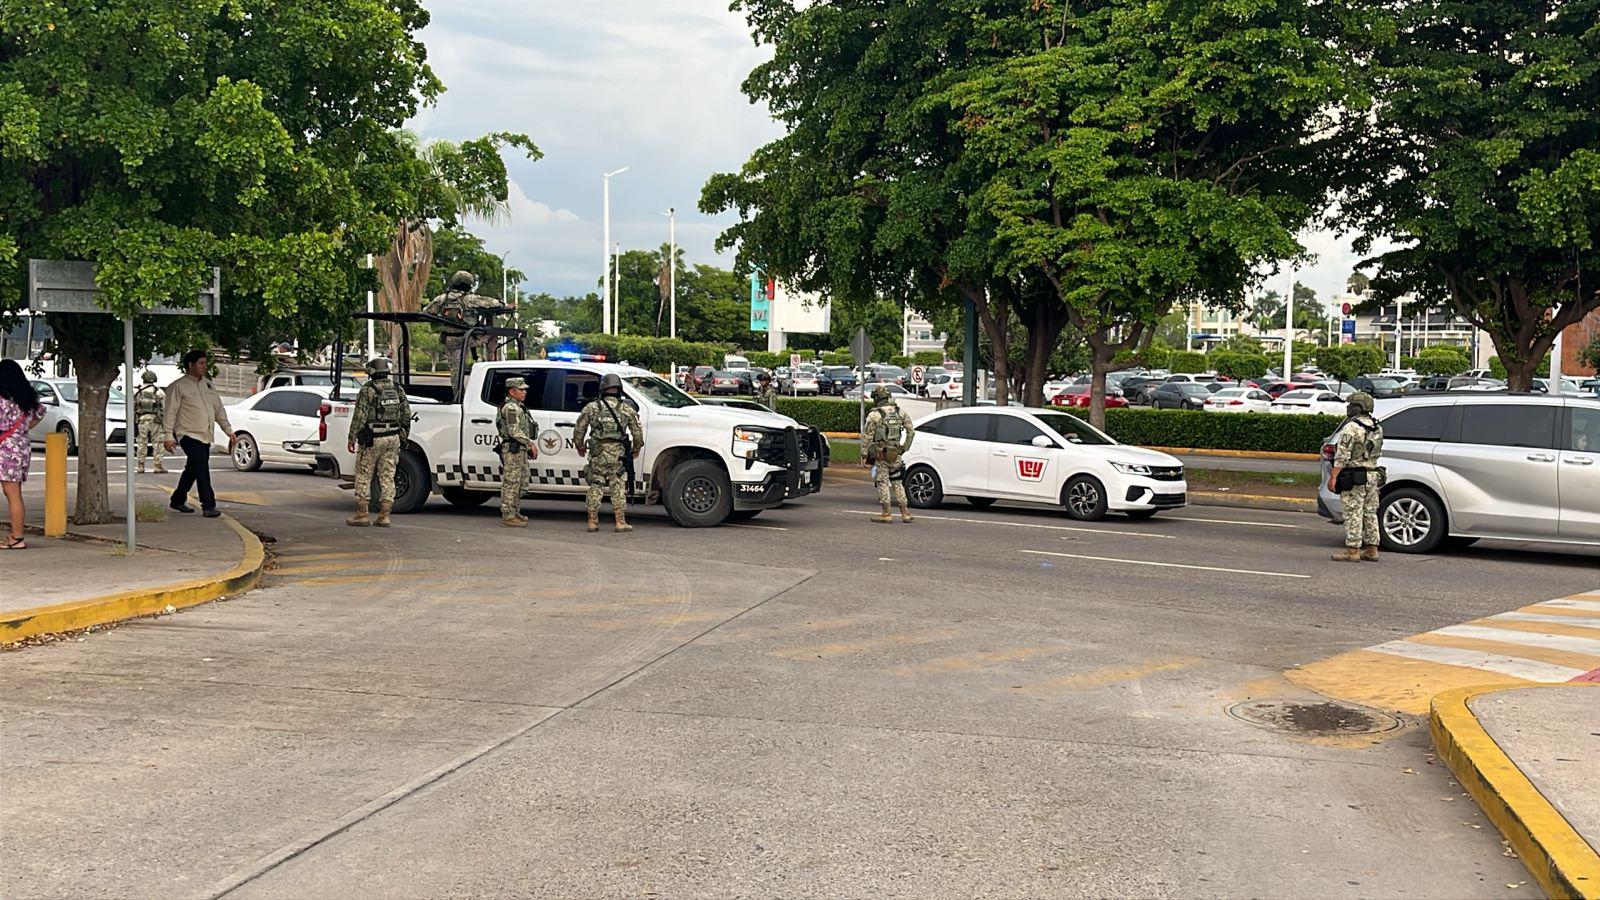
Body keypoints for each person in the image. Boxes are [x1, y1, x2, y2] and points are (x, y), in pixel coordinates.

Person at [163, 350, 235, 518]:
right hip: (187, 434)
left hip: (205, 435)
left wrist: (228, 430)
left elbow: (218, 410)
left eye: (205, 363)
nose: (204, 366)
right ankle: (208, 505)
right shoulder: (178, 386)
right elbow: (170, 413)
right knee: (201, 467)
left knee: (193, 469)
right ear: (191, 365)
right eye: (201, 363)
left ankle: (177, 499)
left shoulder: (208, 385)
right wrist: (167, 436)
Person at [345, 358, 411, 527]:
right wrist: (403, 435)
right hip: (393, 437)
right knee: (388, 476)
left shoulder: (368, 390)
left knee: (363, 475)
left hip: (373, 438)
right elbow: (406, 414)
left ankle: (362, 514)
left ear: (371, 373)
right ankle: (384, 515)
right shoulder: (397, 389)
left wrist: (352, 437)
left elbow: (360, 416)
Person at [573, 373, 643, 533]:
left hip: (597, 453)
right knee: (617, 485)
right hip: (618, 453)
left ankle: (592, 521)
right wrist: (636, 449)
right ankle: (619, 522)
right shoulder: (627, 409)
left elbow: (579, 429)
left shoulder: (591, 407)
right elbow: (637, 433)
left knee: (596, 484)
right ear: (619, 389)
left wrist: (579, 446)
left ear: (603, 388)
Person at [424, 270, 503, 395]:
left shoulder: (442, 299)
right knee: (492, 333)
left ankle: (458, 395)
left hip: (450, 340)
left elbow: (426, 311)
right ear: (469, 285)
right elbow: (494, 303)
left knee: (456, 370)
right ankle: (490, 363)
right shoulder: (470, 299)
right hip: (469, 339)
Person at [1327, 391, 1384, 562]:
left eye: (1351, 405)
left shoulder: (1351, 427)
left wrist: (1334, 477)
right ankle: (1372, 549)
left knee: (1353, 512)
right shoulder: (1377, 427)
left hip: (1355, 476)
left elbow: (1342, 455)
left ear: (1358, 407)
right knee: (1370, 512)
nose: (1348, 408)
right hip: (1373, 475)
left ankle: (1352, 550)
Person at [0, 359, 47, 550]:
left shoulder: (2, 401)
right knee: (14, 493)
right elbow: (40, 412)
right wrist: (22, 429)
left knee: (11, 494)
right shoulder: (26, 398)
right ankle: (16, 536)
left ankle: (17, 537)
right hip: (21, 448)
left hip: (4, 449)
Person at [862, 384, 916, 523]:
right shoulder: (899, 412)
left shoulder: (875, 415)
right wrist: (904, 448)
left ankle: (886, 513)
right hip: (896, 453)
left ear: (876, 399)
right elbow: (911, 431)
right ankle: (905, 513)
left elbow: (867, 436)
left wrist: (864, 455)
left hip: (881, 454)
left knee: (882, 482)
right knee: (898, 482)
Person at [496, 376, 537, 527]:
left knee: (521, 482)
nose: (524, 392)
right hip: (513, 449)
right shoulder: (511, 408)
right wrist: (530, 443)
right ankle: (508, 514)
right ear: (512, 391)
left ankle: (515, 510)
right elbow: (514, 431)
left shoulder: (518, 406)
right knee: (511, 481)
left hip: (519, 449)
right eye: (521, 390)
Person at [132, 370, 166, 474]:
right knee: (158, 443)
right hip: (155, 420)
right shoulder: (159, 392)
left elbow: (133, 406)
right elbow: (164, 407)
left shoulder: (137, 392)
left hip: (142, 419)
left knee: (142, 442)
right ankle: (157, 466)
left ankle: (140, 466)